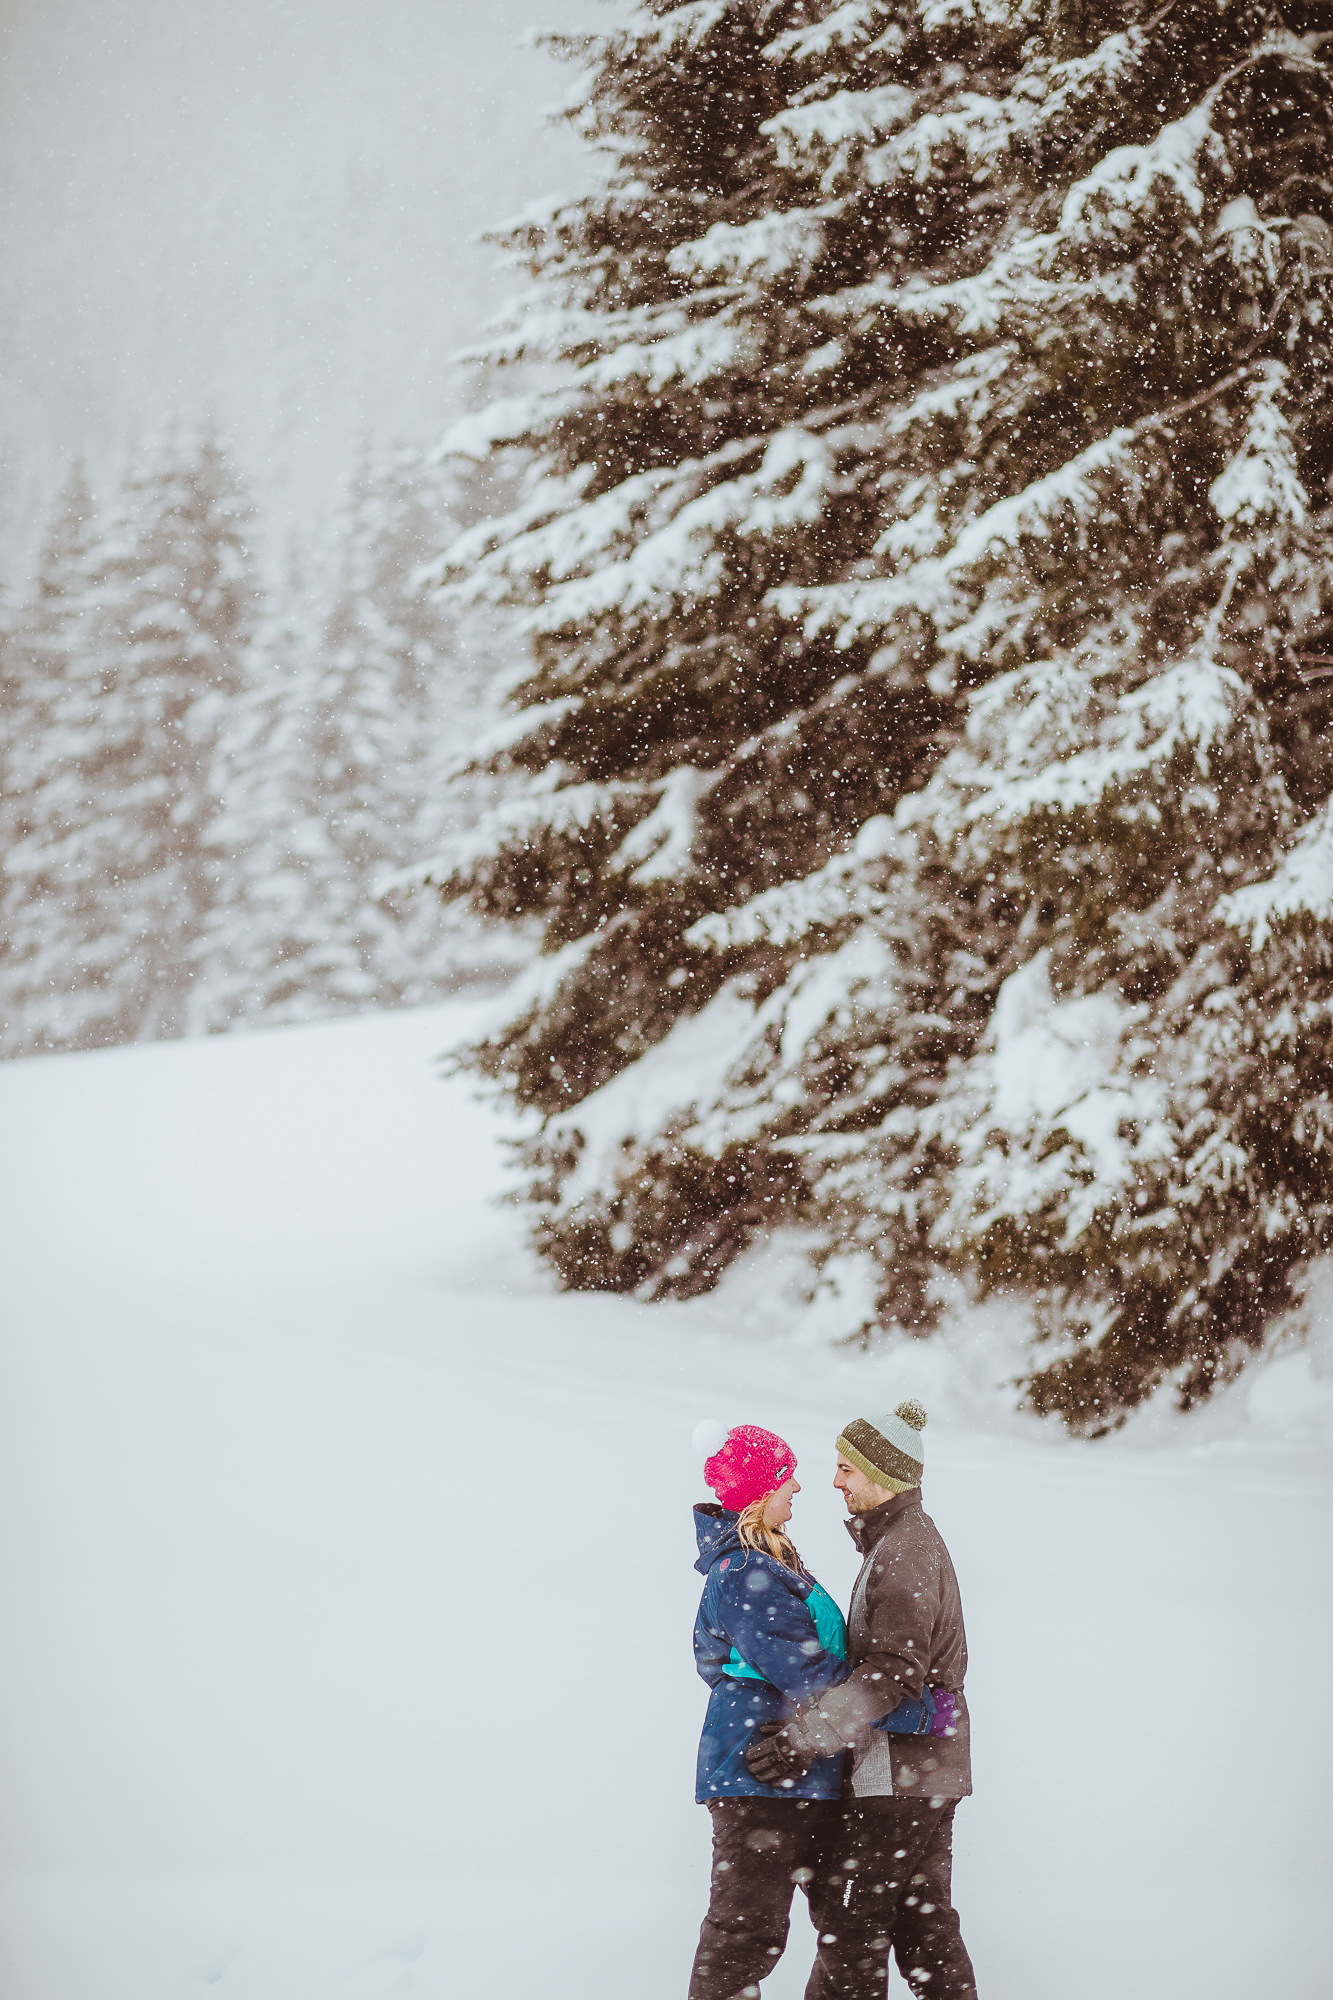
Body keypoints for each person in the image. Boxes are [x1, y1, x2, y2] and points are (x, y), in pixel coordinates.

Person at [689, 1423, 943, 2000]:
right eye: (787, 1477)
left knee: (850, 1933)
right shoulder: (746, 1572)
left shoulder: (769, 1562)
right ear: (759, 1491)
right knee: (746, 1932)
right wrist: (907, 1712)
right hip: (760, 1776)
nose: (800, 1487)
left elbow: (726, 1662)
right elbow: (808, 1673)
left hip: (806, 1774)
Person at [744, 1401, 978, 1999]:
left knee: (851, 1928)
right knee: (923, 1926)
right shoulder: (900, 1543)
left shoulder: (904, 1552)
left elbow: (891, 1674)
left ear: (884, 1475)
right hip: (924, 1771)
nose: (834, 1481)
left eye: (846, 1468)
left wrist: (803, 1740)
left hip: (899, 1773)